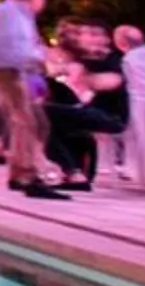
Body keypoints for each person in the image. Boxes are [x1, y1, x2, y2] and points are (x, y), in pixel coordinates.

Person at [0, 0, 68, 201]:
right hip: (5, 71)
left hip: (5, 70)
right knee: (26, 121)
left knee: (33, 121)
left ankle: (19, 172)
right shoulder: (11, 14)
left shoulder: (2, 12)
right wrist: (44, 62)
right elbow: (16, 48)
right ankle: (28, 175)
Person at [41, 16, 127, 189]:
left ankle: (74, 172)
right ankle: (75, 173)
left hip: (110, 117)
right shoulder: (83, 60)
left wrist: (83, 78)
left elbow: (110, 81)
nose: (84, 38)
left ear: (106, 39)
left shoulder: (112, 59)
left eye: (93, 34)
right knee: (43, 119)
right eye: (84, 34)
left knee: (41, 113)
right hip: (86, 111)